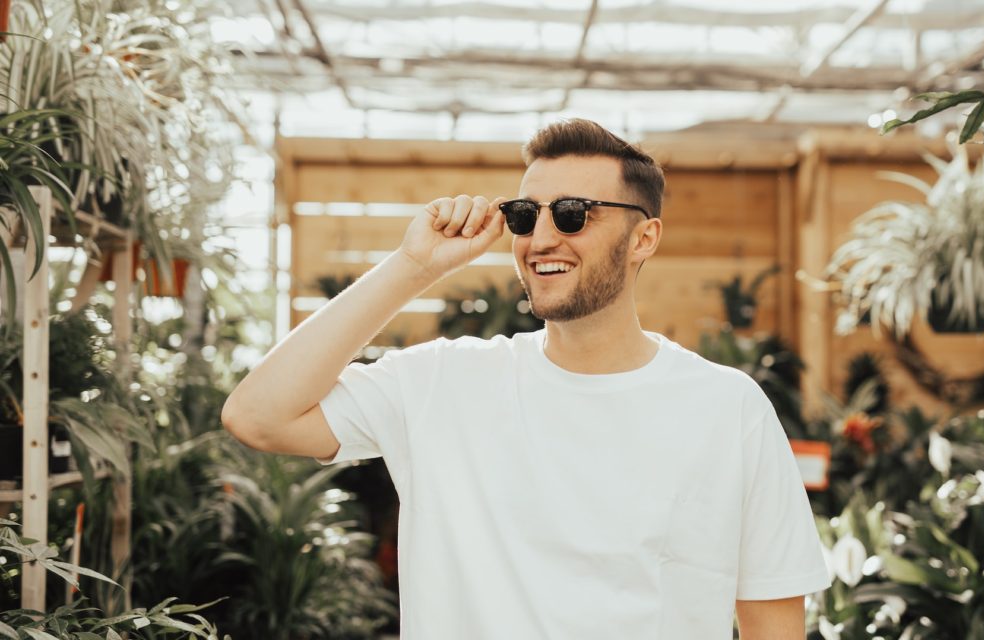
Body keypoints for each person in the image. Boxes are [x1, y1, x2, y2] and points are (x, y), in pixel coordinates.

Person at [222, 119, 831, 639]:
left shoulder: (727, 408)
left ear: (644, 237)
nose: (541, 238)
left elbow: (773, 622)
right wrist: (411, 268)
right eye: (523, 214)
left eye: (573, 215)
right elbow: (257, 416)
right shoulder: (443, 382)